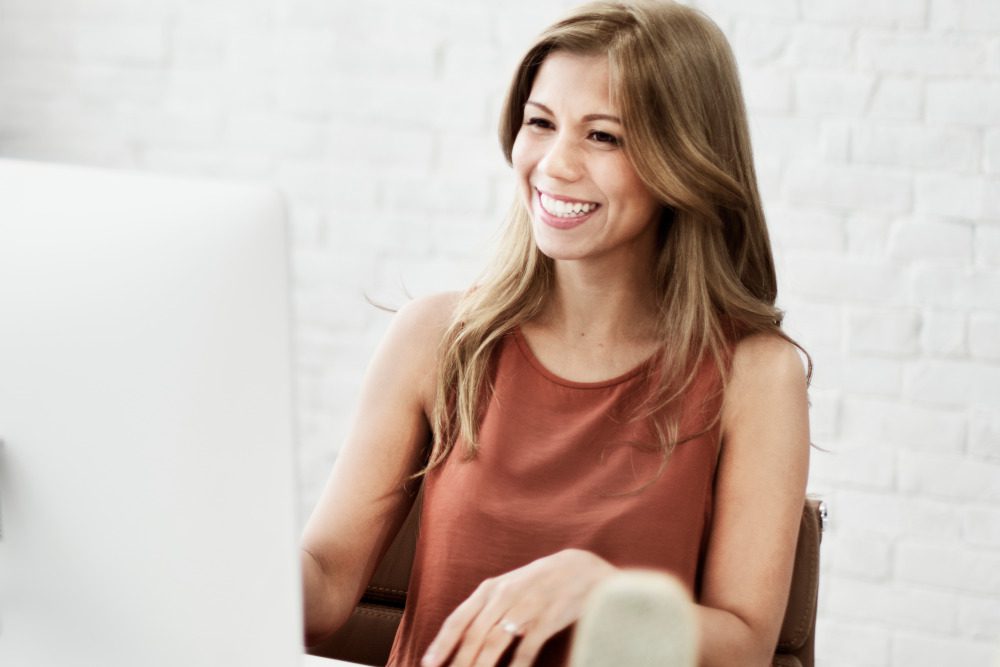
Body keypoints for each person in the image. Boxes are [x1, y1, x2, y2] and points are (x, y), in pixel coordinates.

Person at [300, 1, 811, 665]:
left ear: (683, 157)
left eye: (604, 136)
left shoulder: (754, 374)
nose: (555, 164)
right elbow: (327, 588)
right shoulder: (436, 338)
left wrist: (608, 597)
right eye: (540, 123)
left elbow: (745, 648)